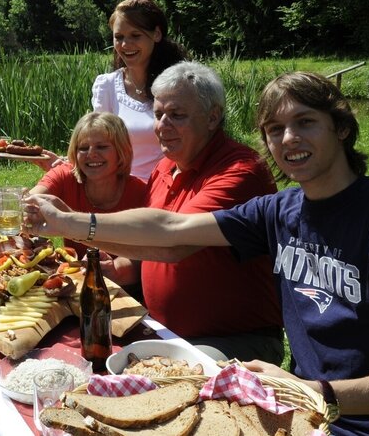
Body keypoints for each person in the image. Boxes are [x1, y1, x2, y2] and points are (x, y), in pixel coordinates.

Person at [25, 72, 369, 435]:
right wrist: (67, 224)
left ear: (341, 127)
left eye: (305, 122)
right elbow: (171, 229)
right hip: (297, 410)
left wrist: (314, 392)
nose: (289, 139)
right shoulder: (279, 211)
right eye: (274, 129)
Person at [93, 62, 282, 363]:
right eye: (158, 114)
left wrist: (71, 225)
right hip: (164, 330)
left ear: (213, 117)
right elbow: (150, 246)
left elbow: (173, 241)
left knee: (164, 380)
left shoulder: (240, 171)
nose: (162, 126)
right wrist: (119, 269)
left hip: (233, 339)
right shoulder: (165, 166)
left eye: (177, 115)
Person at [27, 112, 148, 298]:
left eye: (102, 146)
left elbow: (145, 256)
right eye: (83, 148)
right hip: (75, 286)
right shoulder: (65, 175)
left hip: (126, 292)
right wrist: (12, 203)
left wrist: (116, 269)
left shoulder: (142, 193)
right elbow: (31, 199)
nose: (91, 154)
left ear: (121, 151)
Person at [89, 0, 190, 180]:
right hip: (121, 188)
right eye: (119, 37)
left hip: (171, 186)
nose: (125, 45)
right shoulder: (107, 87)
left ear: (156, 34)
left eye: (135, 35)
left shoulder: (181, 85)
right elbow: (99, 147)